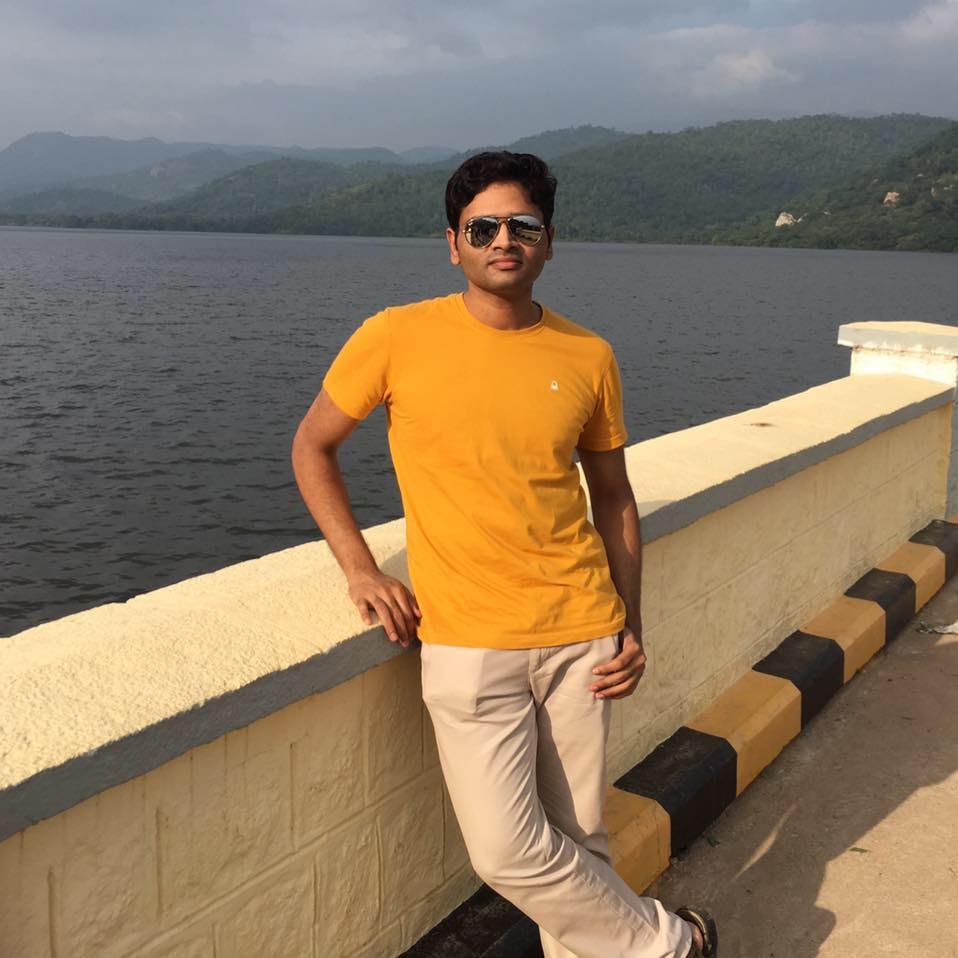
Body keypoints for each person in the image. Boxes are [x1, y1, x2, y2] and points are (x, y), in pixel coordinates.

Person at [291, 151, 717, 958]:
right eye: (482, 227)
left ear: (549, 241)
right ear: (453, 244)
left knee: (580, 847)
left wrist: (630, 624)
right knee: (507, 854)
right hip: (466, 639)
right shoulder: (396, 336)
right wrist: (359, 568)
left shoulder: (586, 354)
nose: (503, 240)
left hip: (581, 633)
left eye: (522, 225)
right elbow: (313, 446)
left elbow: (614, 498)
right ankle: (673, 944)